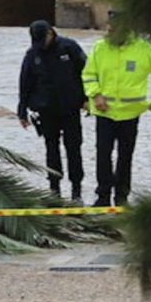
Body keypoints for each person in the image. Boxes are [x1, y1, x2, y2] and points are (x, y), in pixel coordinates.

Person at [81, 11, 151, 207]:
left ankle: (122, 196)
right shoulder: (100, 48)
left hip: (131, 113)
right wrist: (95, 95)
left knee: (125, 156)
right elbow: (88, 74)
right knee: (103, 155)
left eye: (113, 28)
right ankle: (103, 196)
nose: (109, 31)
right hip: (104, 112)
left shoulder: (145, 49)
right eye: (108, 28)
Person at [17, 20, 88, 201]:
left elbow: (87, 73)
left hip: (71, 107)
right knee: (51, 149)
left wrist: (87, 98)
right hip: (46, 109)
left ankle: (76, 190)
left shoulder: (69, 48)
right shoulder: (33, 54)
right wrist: (22, 111)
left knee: (74, 148)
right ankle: (54, 189)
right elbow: (25, 83)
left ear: (51, 33)